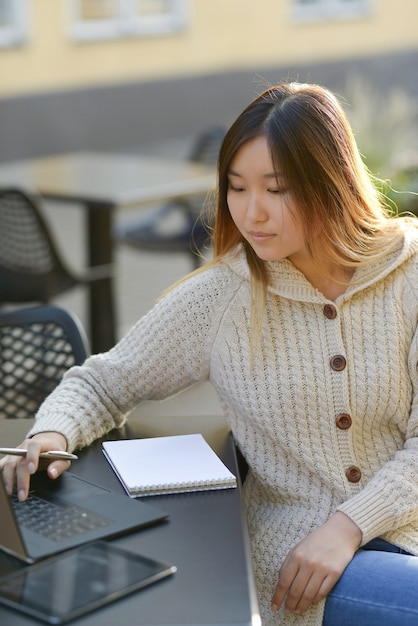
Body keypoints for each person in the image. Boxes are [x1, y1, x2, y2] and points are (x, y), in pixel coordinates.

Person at [2, 82, 418, 625]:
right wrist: (49, 435)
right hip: (299, 563)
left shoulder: (408, 275)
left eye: (277, 189)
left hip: (398, 534)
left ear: (331, 183)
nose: (252, 213)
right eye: (236, 188)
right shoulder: (224, 296)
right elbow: (102, 382)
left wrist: (350, 525)